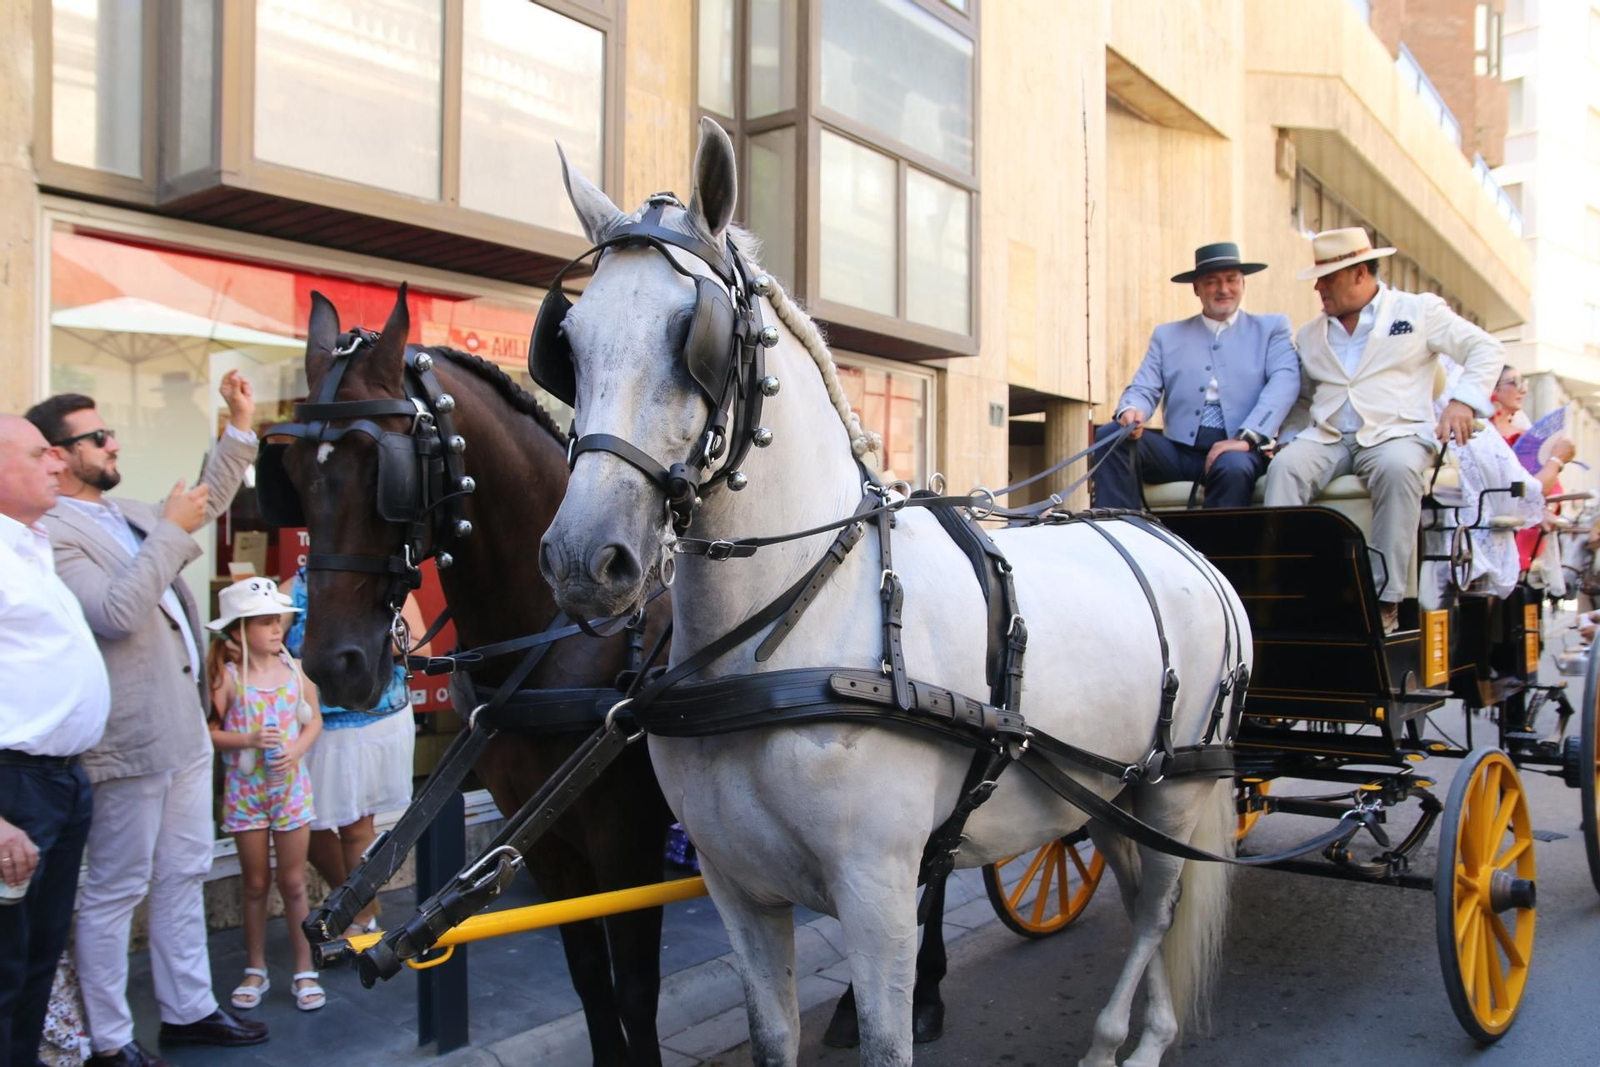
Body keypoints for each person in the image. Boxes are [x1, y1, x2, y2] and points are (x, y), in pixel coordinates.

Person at [26, 374, 268, 1065]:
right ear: (58, 454)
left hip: (184, 727)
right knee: (114, 890)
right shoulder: (52, 534)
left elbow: (204, 503)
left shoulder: (124, 512)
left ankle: (188, 1008)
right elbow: (115, 611)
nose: (113, 441)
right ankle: (110, 1039)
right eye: (97, 436)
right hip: (128, 740)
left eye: (110, 431)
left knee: (184, 871)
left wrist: (238, 427)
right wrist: (167, 529)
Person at [1264, 228, 1502, 632]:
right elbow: (1305, 399)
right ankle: (1285, 593)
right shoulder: (1309, 334)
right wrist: (1286, 437)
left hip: (1397, 433)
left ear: (1359, 273)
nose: (1319, 286)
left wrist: (1463, 402)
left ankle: (1386, 600)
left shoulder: (1418, 311)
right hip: (1329, 437)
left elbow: (1486, 348)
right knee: (1284, 469)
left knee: (1397, 469)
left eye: (1328, 277)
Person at [0, 415, 110, 1067]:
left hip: (62, 782)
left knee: (38, 959)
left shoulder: (32, 544)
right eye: (41, 453)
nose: (58, 463)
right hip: (15, 789)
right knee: (6, 966)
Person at [1092, 241, 1300, 509]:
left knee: (1234, 467)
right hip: (1177, 452)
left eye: (1231, 280)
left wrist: (1246, 439)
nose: (1223, 289)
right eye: (1212, 282)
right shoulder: (1167, 336)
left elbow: (1285, 383)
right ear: (1197, 288)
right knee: (1112, 435)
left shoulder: (1272, 328)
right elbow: (1144, 387)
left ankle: (1218, 550)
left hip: (1238, 450)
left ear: (1243, 283)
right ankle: (1120, 531)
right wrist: (1131, 411)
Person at [206, 578, 325, 1013]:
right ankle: (254, 966)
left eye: (277, 620)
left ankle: (303, 966)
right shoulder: (228, 677)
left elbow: (313, 721)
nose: (276, 629)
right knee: (254, 883)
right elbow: (209, 733)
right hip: (245, 793)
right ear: (240, 629)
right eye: (264, 622)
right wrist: (249, 740)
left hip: (290, 789)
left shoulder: (295, 669)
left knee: (294, 881)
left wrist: (294, 749)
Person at [285, 570, 424, 937]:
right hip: (314, 723)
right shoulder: (295, 588)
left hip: (373, 718)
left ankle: (358, 915)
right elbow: (276, 651)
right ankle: (356, 900)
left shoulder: (390, 584)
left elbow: (422, 647)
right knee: (306, 824)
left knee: (356, 826)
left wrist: (375, 637)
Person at [1489, 364, 1577, 573]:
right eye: (1514, 383)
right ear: (1492, 389)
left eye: (1525, 383)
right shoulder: (1481, 434)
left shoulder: (1527, 438)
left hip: (1528, 528)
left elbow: (1553, 488)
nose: (1523, 390)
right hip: (1493, 520)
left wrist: (1546, 509)